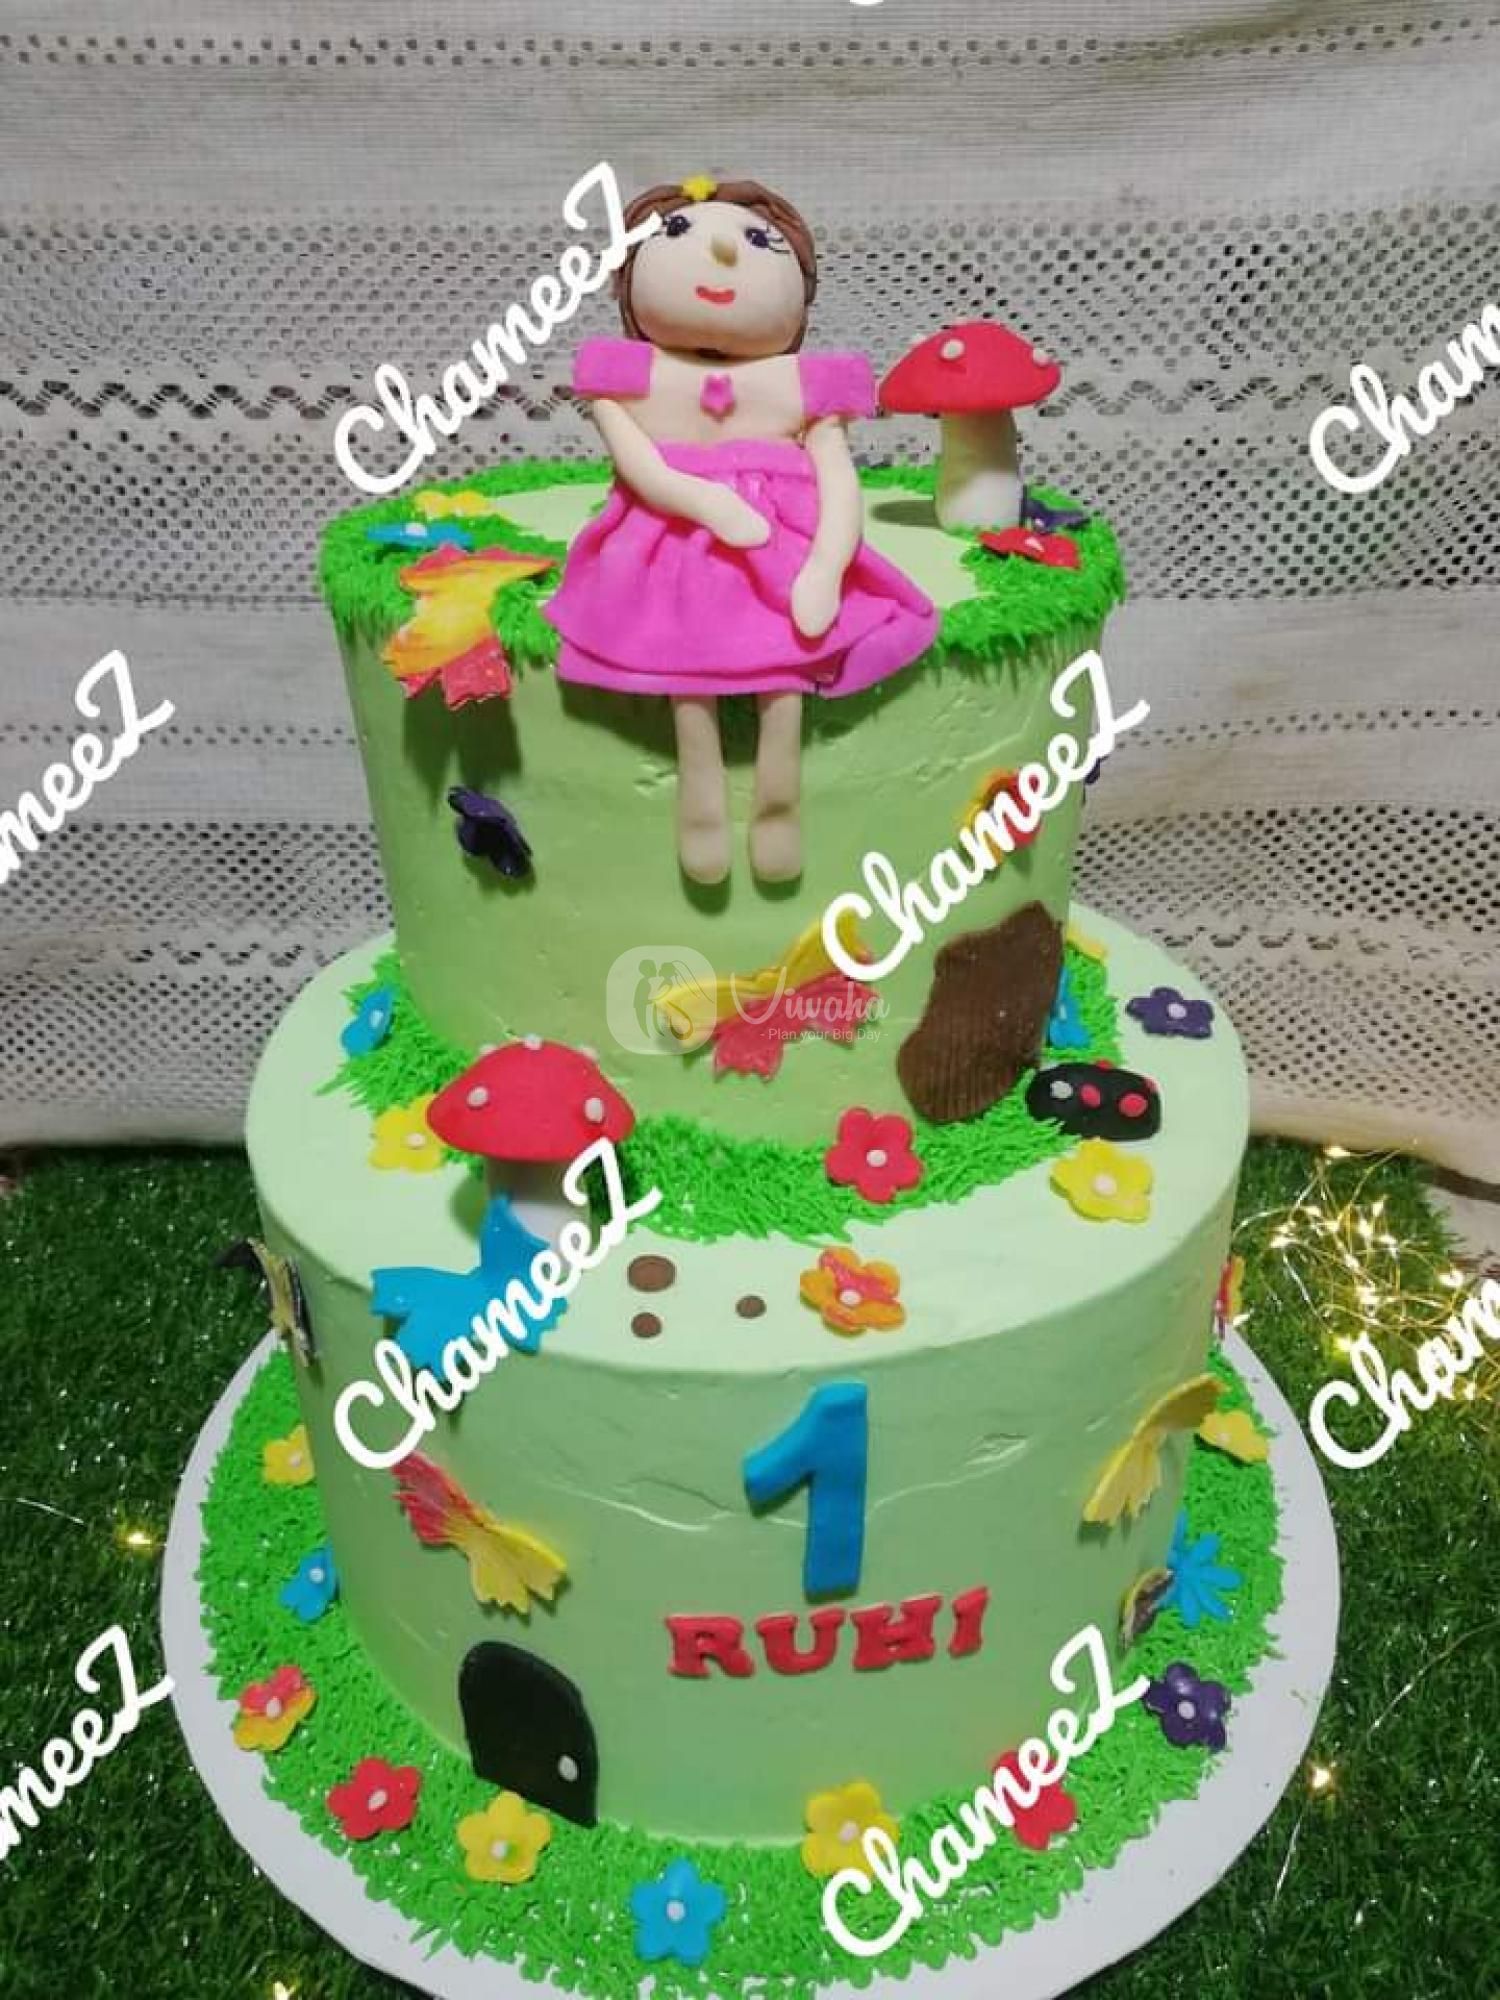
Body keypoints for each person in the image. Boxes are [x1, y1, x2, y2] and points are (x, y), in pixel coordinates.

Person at [544, 176, 937, 885]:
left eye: (758, 242)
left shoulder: (808, 385)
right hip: (672, 540)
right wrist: (704, 502)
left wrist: (826, 567)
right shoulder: (623, 376)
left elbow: (838, 476)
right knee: (685, 668)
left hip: (782, 547)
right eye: (678, 235)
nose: (724, 252)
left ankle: (779, 802)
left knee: (784, 671)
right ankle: (699, 804)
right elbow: (639, 467)